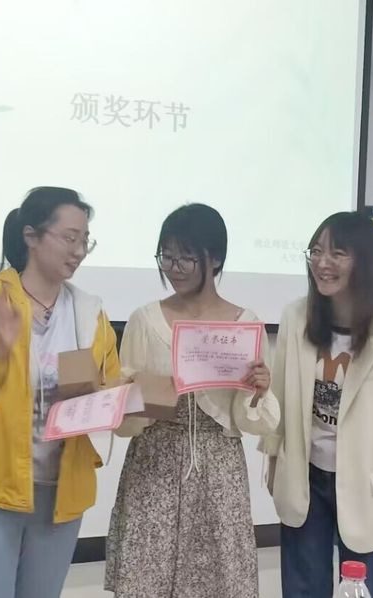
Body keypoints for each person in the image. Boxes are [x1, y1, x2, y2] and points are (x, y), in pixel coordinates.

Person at [0, 186, 120, 598]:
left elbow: (109, 388)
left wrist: (123, 398)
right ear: (31, 236)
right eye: (69, 238)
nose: (79, 251)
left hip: (61, 491)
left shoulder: (90, 313)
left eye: (86, 240)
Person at [261, 211, 373, 598]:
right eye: (316, 251)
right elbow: (280, 395)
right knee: (303, 589)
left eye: (337, 253)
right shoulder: (296, 317)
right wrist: (274, 458)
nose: (322, 263)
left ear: (364, 261)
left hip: (369, 487)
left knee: (362, 590)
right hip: (306, 478)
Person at [105, 203, 279, 598]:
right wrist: (137, 394)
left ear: (214, 258)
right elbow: (124, 415)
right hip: (155, 457)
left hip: (219, 464)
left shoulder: (245, 322)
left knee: (219, 576)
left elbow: (252, 420)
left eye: (186, 257)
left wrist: (259, 390)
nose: (174, 267)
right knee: (147, 573)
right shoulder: (144, 319)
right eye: (166, 256)